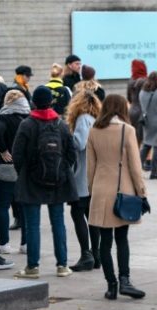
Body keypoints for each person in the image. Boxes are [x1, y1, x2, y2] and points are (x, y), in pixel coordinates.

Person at [12, 86, 78, 279]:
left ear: (34, 102)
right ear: (51, 102)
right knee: (58, 223)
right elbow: (71, 154)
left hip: (32, 181)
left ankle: (32, 267)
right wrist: (62, 170)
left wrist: (26, 173)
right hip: (57, 181)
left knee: (32, 225)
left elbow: (17, 155)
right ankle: (62, 265)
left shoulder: (27, 124)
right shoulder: (61, 124)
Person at [87, 94, 147, 300]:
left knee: (105, 241)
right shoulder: (127, 130)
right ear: (123, 108)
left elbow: (90, 166)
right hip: (123, 190)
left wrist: (92, 189)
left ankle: (111, 285)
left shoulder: (94, 130)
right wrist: (142, 192)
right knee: (122, 239)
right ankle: (125, 281)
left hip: (100, 191)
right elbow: (135, 166)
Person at [65, 90, 102, 272]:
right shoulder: (98, 120)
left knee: (77, 212)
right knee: (92, 216)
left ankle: (86, 254)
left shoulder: (83, 119)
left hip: (82, 176)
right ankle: (96, 254)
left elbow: (79, 143)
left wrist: (66, 138)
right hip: (96, 175)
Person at [0, 91, 31, 267]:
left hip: (5, 168)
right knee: (23, 206)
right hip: (23, 168)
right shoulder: (27, 119)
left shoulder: (3, 118)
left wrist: (3, 150)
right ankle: (25, 244)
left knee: (2, 206)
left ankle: (4, 244)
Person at [127, 59, 148, 145]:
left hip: (133, 110)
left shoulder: (131, 80)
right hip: (144, 111)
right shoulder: (146, 81)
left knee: (135, 138)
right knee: (145, 140)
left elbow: (128, 97)